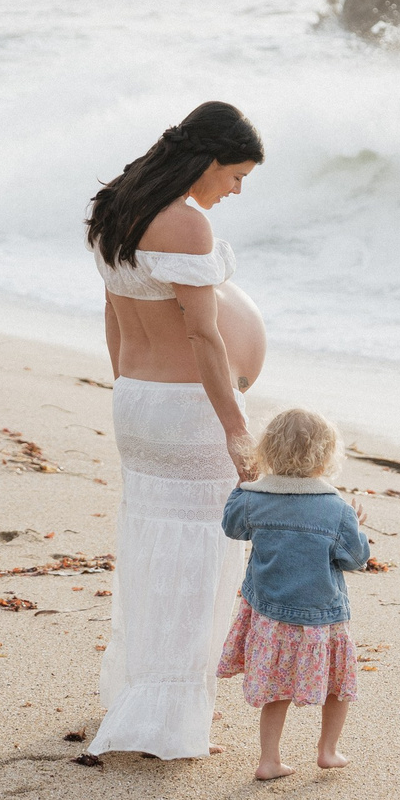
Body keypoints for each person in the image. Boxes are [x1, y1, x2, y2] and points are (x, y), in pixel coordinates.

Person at [85, 100, 268, 761]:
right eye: (237, 175)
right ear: (210, 159)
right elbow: (203, 336)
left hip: (137, 400)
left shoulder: (117, 203)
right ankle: (167, 720)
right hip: (189, 410)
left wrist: (126, 389)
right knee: (198, 561)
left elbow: (113, 312)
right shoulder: (186, 223)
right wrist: (237, 428)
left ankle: (142, 694)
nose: (237, 190)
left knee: (151, 548)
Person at [216, 407, 369, 780]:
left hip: (270, 613)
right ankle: (328, 750)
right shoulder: (336, 509)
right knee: (337, 685)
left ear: (267, 450)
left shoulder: (255, 499)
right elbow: (355, 559)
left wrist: (243, 485)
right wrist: (356, 527)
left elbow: (232, 527)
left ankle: (269, 760)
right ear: (326, 456)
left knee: (276, 689)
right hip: (322, 618)